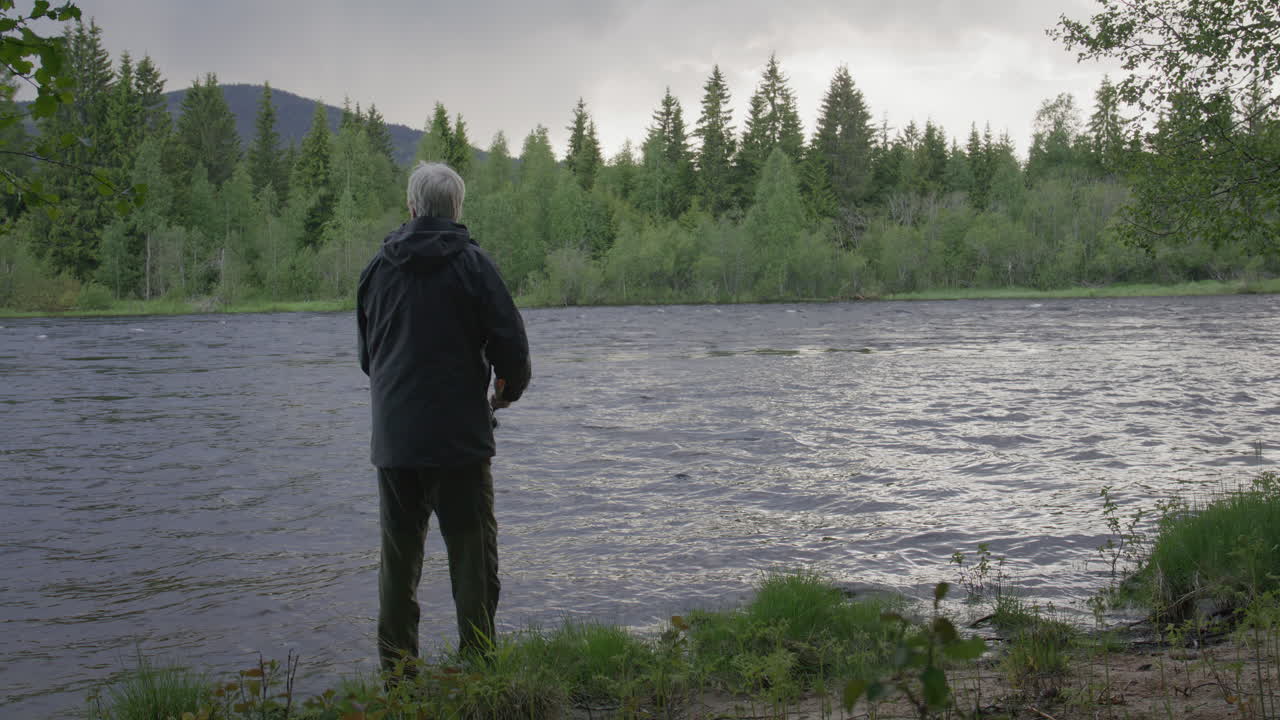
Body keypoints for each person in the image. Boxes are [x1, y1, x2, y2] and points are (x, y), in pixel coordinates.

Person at [357, 161, 531, 674]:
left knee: (398, 566)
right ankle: (478, 669)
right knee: (474, 562)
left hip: (396, 443)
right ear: (456, 209)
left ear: (410, 208)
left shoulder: (376, 269)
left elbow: (369, 358)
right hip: (460, 440)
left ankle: (398, 679)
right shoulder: (476, 265)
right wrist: (506, 391)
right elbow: (513, 350)